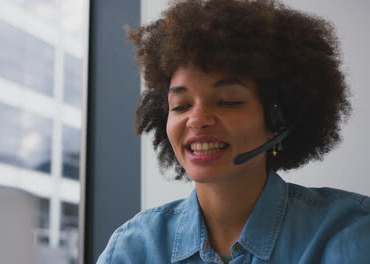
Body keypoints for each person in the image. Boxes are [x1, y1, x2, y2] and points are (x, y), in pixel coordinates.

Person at [97, 0, 370, 263]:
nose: (197, 119)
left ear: (278, 118)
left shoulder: (350, 231)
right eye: (180, 106)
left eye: (228, 101)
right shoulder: (132, 248)